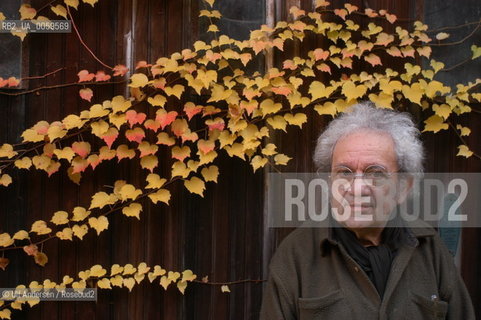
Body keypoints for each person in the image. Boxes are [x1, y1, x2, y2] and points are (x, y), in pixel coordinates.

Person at [259, 102, 475, 319]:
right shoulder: (296, 255)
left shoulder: (429, 247)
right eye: (345, 172)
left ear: (403, 187)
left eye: (375, 173)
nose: (356, 188)